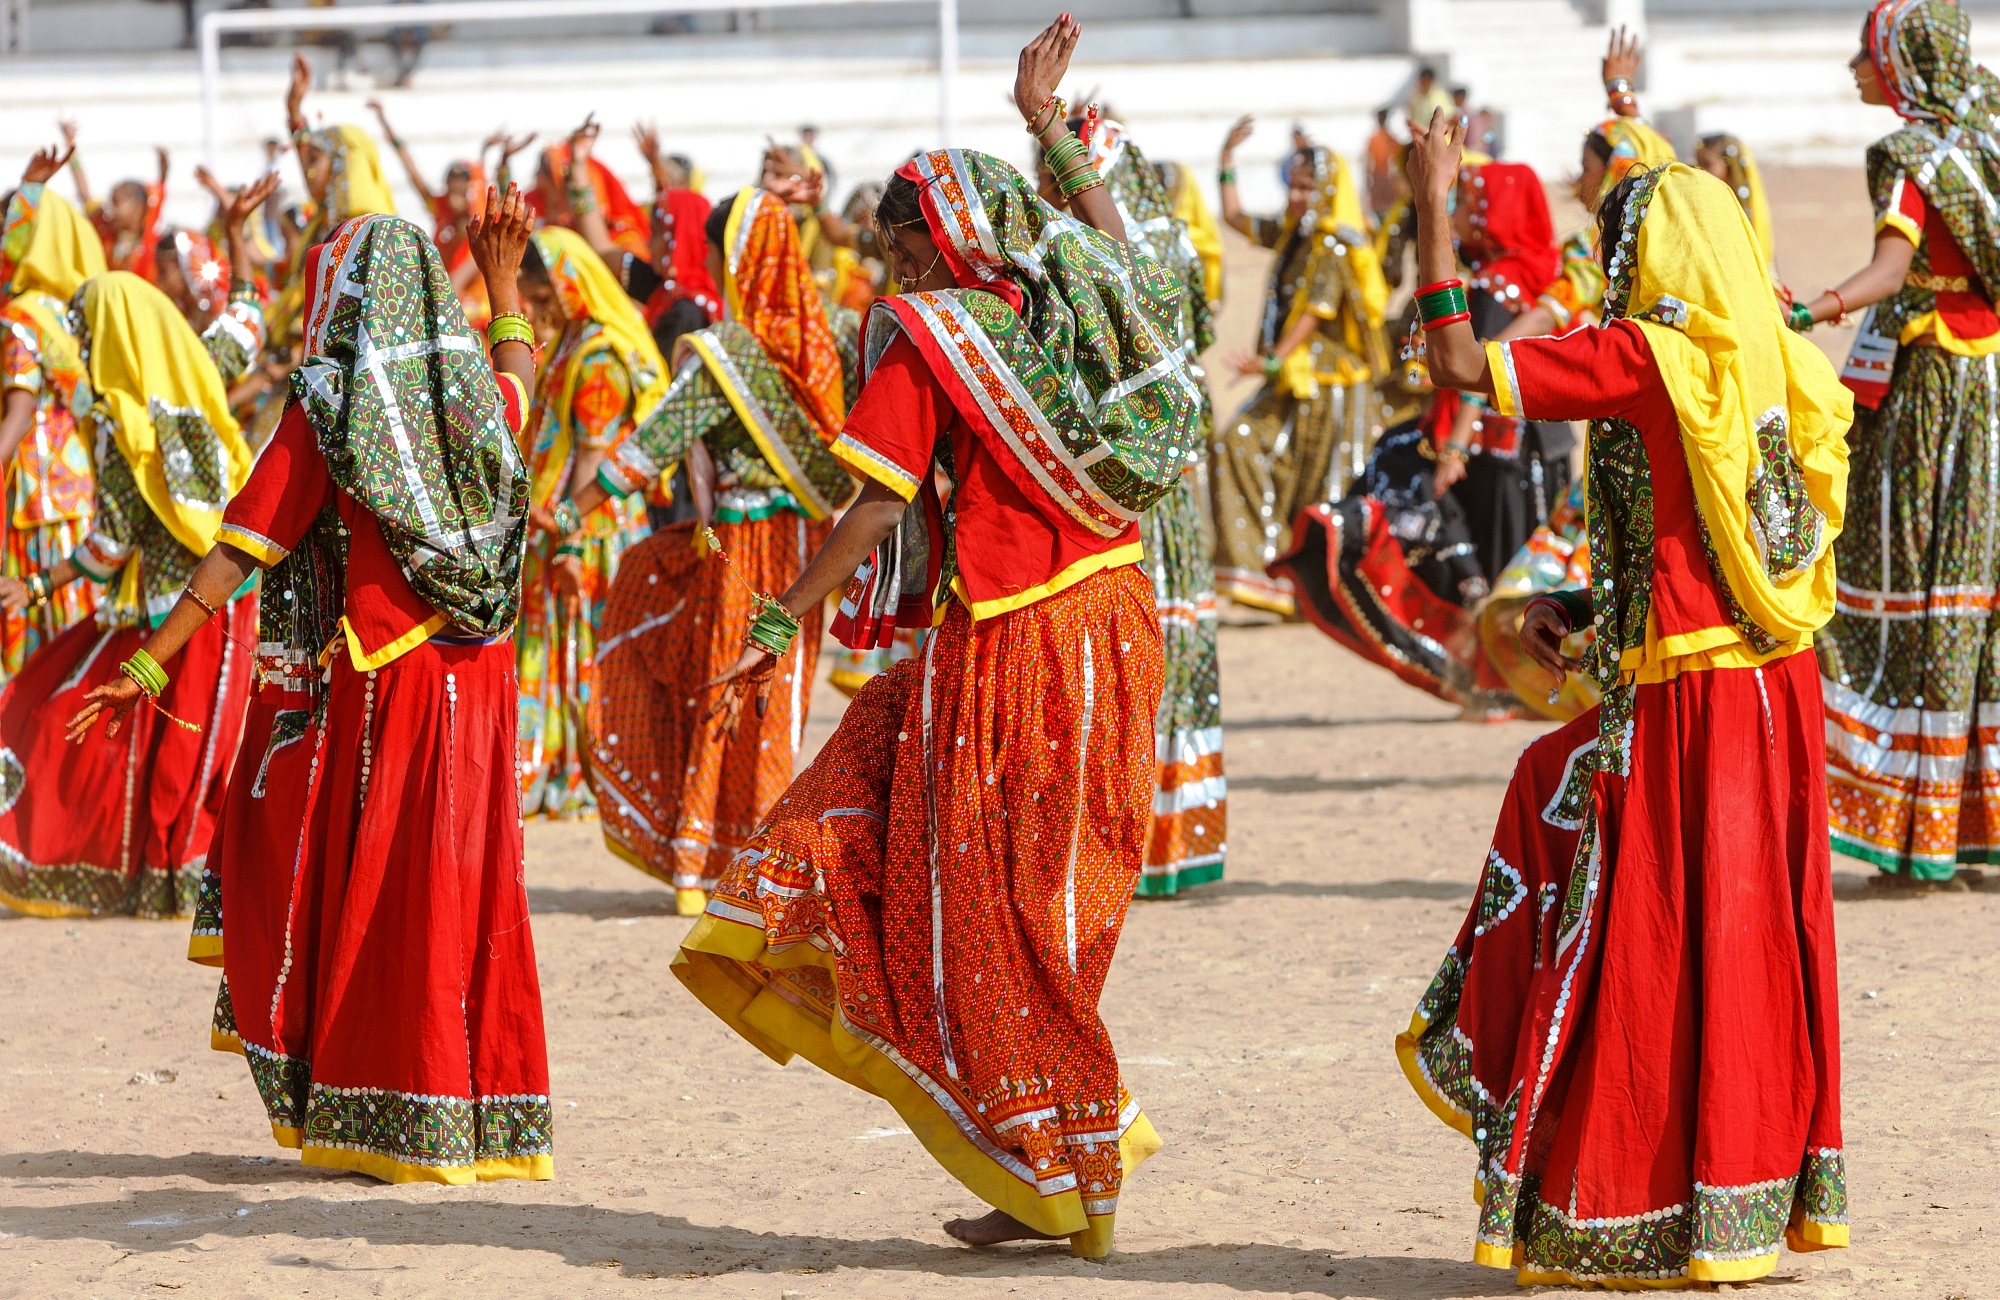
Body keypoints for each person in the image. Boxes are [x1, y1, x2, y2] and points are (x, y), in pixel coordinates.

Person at [672, 17, 1202, 1259]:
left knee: (986, 911)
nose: (882, 264)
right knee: (1040, 908)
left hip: (1015, 652)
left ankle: (1071, 1150)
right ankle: (1046, 1153)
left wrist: (775, 618)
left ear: (932, 238)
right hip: (1118, 631)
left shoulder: (932, 338)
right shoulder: (1071, 304)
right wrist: (1047, 132)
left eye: (891, 240)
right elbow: (1129, 272)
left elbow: (871, 503)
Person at [1395, 106, 1851, 1286]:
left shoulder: (1648, 355)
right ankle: (1730, 1198)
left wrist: (1430, 205)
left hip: (1693, 702)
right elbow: (1723, 529)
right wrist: (1597, 617)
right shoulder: (1763, 352)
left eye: (1623, 247)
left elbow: (1454, 363)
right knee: (1733, 936)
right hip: (1767, 685)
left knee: (1640, 916)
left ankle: (1617, 1171)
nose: (1611, 272)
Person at [119, 197, 547, 1184]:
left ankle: (384, 1109)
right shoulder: (470, 393)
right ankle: (463, 1115)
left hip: (385, 673)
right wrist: (503, 285)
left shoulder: (333, 403)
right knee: (462, 888)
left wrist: (157, 654)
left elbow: (246, 539)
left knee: (384, 892)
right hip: (477, 678)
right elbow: (520, 383)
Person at [555, 184, 854, 914]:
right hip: (809, 547)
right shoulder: (826, 347)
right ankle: (759, 861)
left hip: (741, 553)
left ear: (739, 260)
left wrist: (569, 512)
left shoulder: (728, 357)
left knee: (730, 689)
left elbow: (650, 446)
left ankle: (709, 860)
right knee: (778, 699)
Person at [1804, 0, 2000, 884]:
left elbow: (1891, 269)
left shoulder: (1911, 156)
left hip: (1933, 397)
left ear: (1905, 67)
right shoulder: (1990, 135)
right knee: (1978, 590)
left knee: (1898, 580)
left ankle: (1912, 829)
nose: (1854, 67)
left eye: (1866, 53)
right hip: (1992, 387)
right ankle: (1977, 827)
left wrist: (1812, 309)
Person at [0, 265, 260, 918]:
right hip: (237, 590)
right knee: (202, 751)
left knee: (69, 716)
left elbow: (109, 545)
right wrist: (240, 248)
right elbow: (246, 326)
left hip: (169, 613)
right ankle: (195, 881)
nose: (81, 347)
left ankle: (144, 879)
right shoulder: (198, 365)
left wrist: (32, 585)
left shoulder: (125, 420)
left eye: (85, 333)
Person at [1075, 114, 1227, 896]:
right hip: (1177, 470)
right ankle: (1176, 838)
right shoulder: (1174, 242)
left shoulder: (1102, 255)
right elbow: (1199, 332)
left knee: (1128, 653)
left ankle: (1118, 843)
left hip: (1130, 477)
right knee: (1173, 640)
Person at [513, 225, 668, 818]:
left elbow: (596, 453)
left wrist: (569, 526)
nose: (539, 308)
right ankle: (562, 763)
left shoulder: (600, 355)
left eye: (544, 295)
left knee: (587, 646)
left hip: (592, 524)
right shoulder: (576, 342)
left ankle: (585, 767)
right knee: (564, 644)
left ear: (569, 284)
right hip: (561, 517)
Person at [1212, 117, 1389, 615]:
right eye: (1294, 186)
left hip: (1331, 385)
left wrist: (1271, 359)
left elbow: (1316, 309)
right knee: (1241, 444)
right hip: (1297, 378)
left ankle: (1314, 596)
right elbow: (1235, 219)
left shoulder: (1333, 243)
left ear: (1327, 190)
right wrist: (1226, 160)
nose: (1297, 197)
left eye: (1308, 188)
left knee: (1318, 488)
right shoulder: (1294, 234)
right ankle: (1268, 578)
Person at [0, 147, 107, 680]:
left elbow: (18, 418)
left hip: (35, 492)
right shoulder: (68, 316)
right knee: (78, 624)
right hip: (79, 484)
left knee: (43, 633)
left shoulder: (20, 317)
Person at [63, 124, 168, 282]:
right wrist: (70, 146)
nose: (110, 209)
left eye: (117, 202)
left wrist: (164, 172)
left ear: (138, 207)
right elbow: (84, 192)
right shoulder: (104, 227)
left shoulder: (150, 236)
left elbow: (159, 188)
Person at [1695, 133, 1775, 273]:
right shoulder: (1701, 198)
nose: (1698, 170)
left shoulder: (1736, 209)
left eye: (1707, 164)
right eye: (1696, 164)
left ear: (1730, 165)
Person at [1365, 107, 1403, 220]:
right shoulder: (1375, 138)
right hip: (1378, 177)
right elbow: (1369, 159)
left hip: (1387, 179)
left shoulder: (1390, 138)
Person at [1406, 65, 1453, 133]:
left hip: (1438, 135)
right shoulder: (1417, 97)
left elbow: (1448, 118)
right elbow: (1413, 116)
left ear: (1430, 81)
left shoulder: (1439, 95)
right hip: (1422, 134)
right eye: (1422, 81)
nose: (1423, 84)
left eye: (1425, 81)